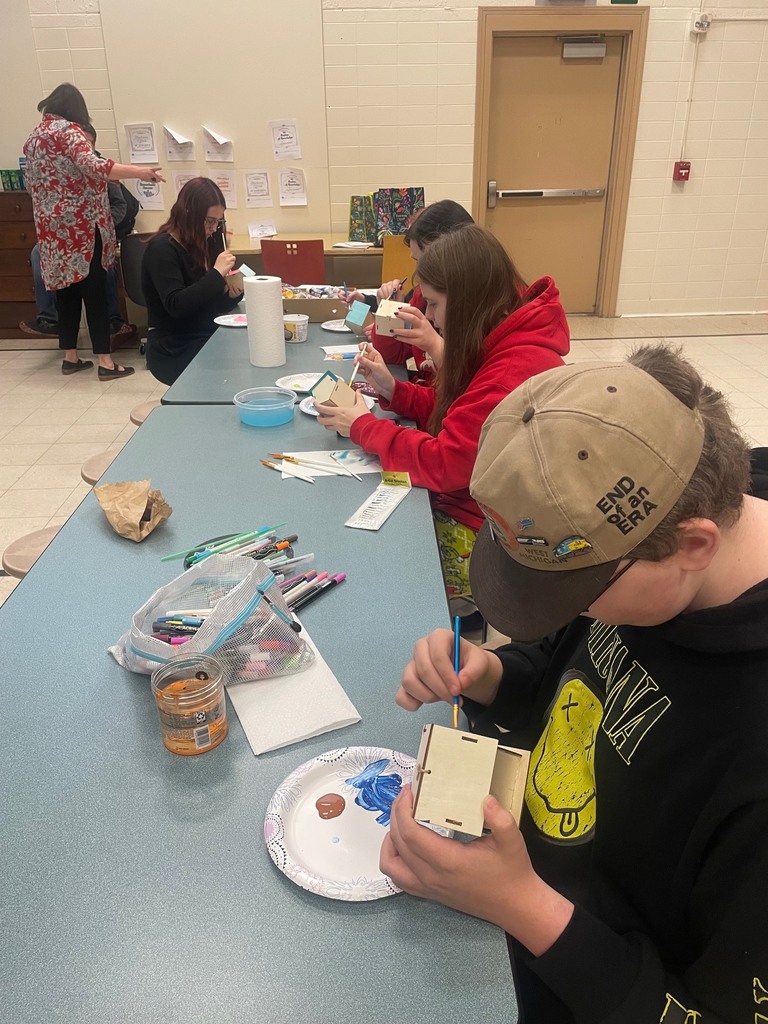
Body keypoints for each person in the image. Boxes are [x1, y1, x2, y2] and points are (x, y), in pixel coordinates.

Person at [383, 344, 768, 1022]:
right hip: (514, 899)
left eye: (578, 591)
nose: (569, 614)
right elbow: (572, 682)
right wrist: (496, 675)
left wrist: (524, 907)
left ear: (692, 545)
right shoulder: (649, 573)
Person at [316, 224, 568, 620]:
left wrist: (363, 426)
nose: (429, 318)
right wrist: (394, 390)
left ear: (466, 300)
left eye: (432, 304)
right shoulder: (501, 339)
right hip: (470, 507)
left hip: (483, 538)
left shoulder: (514, 367)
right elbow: (461, 409)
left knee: (360, 563)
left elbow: (444, 463)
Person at [23, 82, 164, 379]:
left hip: (52, 233)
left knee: (66, 293)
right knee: (96, 292)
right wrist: (141, 172)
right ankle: (105, 362)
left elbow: (30, 185)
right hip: (83, 230)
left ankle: (70, 357)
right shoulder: (70, 132)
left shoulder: (34, 139)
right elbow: (95, 166)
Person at [20, 126, 137, 348]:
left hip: (101, 231)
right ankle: (48, 318)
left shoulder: (99, 168)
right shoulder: (59, 167)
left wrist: (98, 227)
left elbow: (120, 206)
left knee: (103, 265)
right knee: (39, 253)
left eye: (87, 142)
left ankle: (113, 320)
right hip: (70, 237)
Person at [346, 199, 474, 383]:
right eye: (417, 262)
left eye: (424, 261)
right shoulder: (424, 294)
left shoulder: (475, 311)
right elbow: (394, 355)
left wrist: (436, 347)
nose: (419, 273)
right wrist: (390, 310)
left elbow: (459, 393)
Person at [141, 177, 243, 386]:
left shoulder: (201, 243)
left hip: (202, 334)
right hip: (173, 346)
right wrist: (215, 274)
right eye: (209, 221)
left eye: (218, 221)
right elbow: (177, 306)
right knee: (234, 373)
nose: (214, 228)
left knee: (247, 355)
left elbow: (209, 304)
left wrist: (232, 294)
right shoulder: (162, 249)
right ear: (189, 215)